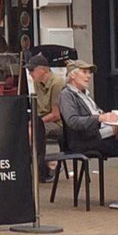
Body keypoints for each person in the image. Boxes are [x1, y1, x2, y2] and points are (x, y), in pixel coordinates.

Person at [58, 60, 118, 157]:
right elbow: (73, 121)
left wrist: (112, 122)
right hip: (89, 141)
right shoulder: (67, 95)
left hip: (104, 135)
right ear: (72, 75)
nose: (89, 76)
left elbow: (99, 114)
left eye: (89, 73)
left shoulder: (85, 95)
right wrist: (100, 118)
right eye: (84, 72)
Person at [28, 53, 66, 182]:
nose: (30, 74)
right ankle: (45, 164)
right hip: (43, 119)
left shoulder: (57, 83)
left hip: (59, 122)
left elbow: (56, 114)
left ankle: (44, 169)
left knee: (34, 132)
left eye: (32, 70)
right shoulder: (37, 83)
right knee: (22, 130)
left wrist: (35, 122)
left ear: (42, 70)